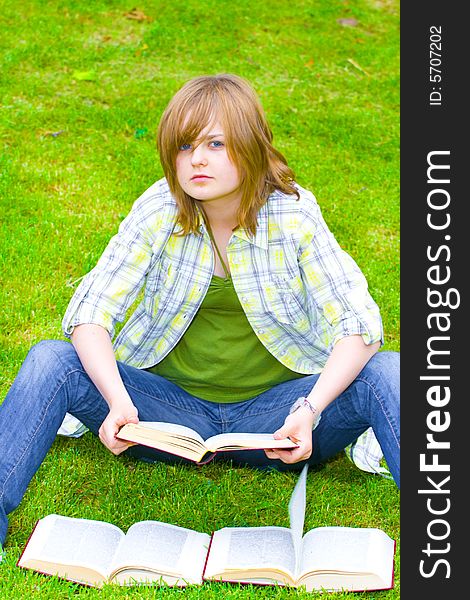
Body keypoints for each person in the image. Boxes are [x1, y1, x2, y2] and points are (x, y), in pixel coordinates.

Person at [0, 73, 399, 550]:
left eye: (215, 143)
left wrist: (308, 409)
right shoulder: (158, 210)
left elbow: (360, 326)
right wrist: (119, 401)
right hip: (167, 417)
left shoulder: (293, 215)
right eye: (185, 146)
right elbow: (90, 311)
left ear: (251, 147)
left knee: (391, 370)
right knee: (51, 359)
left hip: (280, 421)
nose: (198, 159)